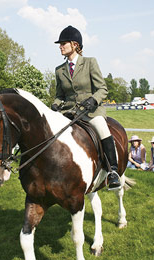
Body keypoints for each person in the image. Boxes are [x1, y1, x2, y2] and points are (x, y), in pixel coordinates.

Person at [51, 25, 121, 189]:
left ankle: (113, 172)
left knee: (102, 128)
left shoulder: (90, 62)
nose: (60, 46)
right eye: (60, 44)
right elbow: (60, 95)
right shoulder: (59, 70)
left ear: (75, 44)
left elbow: (102, 88)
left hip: (91, 111)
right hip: (69, 112)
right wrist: (55, 105)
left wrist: (93, 100)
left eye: (63, 43)